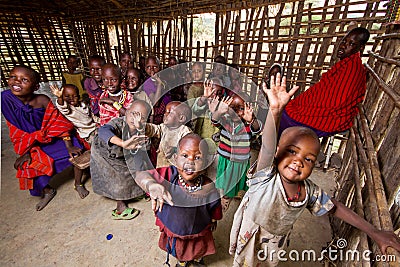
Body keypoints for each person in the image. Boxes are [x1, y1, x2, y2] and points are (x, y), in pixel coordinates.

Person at [229, 73, 400, 266]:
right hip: (251, 235)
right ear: (277, 152)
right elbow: (267, 147)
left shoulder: (308, 191)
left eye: (308, 159)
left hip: (275, 243)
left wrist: (374, 232)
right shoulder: (266, 177)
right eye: (292, 151)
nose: (298, 161)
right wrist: (275, 111)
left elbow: (335, 207)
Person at [1, 65, 87, 209]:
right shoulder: (5, 99)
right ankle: (48, 191)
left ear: (35, 86)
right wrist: (25, 152)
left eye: (24, 80)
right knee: (26, 165)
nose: (16, 82)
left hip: (53, 138)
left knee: (79, 150)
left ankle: (78, 183)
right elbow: (16, 131)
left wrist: (69, 145)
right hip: (31, 143)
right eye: (13, 77)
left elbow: (58, 124)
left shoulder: (42, 100)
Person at [134, 133, 223, 267]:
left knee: (198, 248)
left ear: (205, 163)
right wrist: (151, 184)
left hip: (199, 228)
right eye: (185, 155)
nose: (190, 162)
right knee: (179, 250)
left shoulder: (207, 185)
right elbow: (141, 175)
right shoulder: (168, 175)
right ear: (175, 159)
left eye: (197, 158)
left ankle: (197, 260)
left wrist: (214, 218)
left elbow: (214, 205)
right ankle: (182, 262)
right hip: (174, 227)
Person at [282, 27, 370, 137]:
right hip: (315, 110)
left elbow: (335, 103)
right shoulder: (346, 64)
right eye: (344, 41)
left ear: (360, 48)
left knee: (282, 117)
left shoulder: (352, 69)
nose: (343, 46)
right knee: (283, 110)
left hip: (327, 119)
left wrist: (305, 109)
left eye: (351, 43)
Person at [91, 100, 153, 219]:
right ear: (126, 112)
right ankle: (120, 206)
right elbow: (103, 131)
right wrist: (123, 143)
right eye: (133, 114)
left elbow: (143, 151)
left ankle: (135, 192)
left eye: (141, 118)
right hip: (104, 152)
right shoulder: (118, 122)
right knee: (118, 177)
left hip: (120, 153)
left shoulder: (143, 131)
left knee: (134, 170)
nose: (135, 120)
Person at [209, 91, 261, 211]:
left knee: (239, 178)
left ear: (248, 109)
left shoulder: (249, 125)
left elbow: (257, 130)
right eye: (232, 108)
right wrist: (219, 112)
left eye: (241, 108)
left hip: (240, 160)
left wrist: (252, 119)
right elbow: (214, 121)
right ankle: (226, 197)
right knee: (227, 181)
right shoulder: (225, 120)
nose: (236, 112)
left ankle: (237, 191)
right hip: (225, 159)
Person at [143, 101, 192, 168]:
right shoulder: (163, 128)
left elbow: (189, 147)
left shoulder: (184, 131)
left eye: (169, 112)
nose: (165, 114)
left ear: (181, 118)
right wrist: (142, 126)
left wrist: (175, 149)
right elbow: (153, 129)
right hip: (161, 165)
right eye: (165, 112)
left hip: (176, 169)